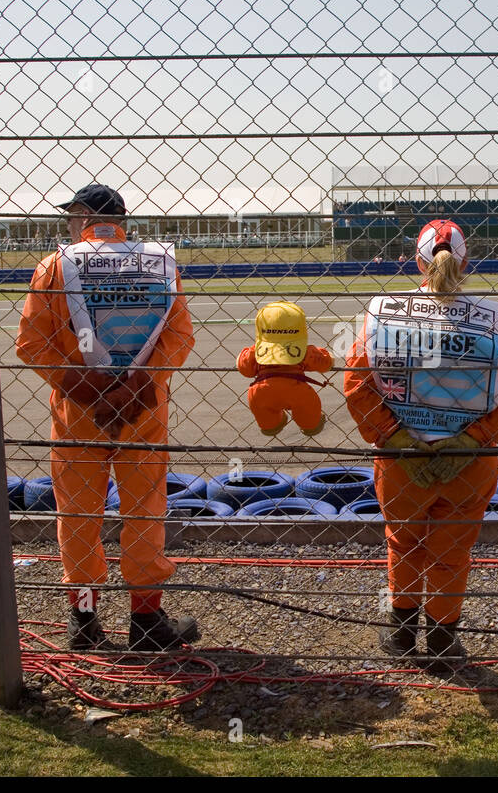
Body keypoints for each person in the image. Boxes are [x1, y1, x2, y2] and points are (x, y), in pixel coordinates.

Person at [16, 183, 199, 651]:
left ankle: (83, 619)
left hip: (80, 409)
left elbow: (32, 345)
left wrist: (89, 390)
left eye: (71, 216)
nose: (69, 225)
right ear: (121, 218)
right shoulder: (159, 261)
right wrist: (137, 385)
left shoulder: (55, 265)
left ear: (82, 215)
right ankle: (146, 619)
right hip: (142, 407)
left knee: (78, 511)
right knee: (144, 508)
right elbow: (178, 338)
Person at [345, 219, 498, 670]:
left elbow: (356, 383)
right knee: (452, 550)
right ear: (466, 262)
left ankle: (403, 634)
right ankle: (445, 641)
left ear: (417, 263)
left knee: (404, 542)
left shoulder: (383, 316)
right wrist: (472, 440)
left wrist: (395, 438)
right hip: (468, 463)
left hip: (400, 461)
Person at [236, 300, 332, 437]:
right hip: (298, 391)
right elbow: (324, 363)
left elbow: (245, 368)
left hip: (262, 391)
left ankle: (271, 425)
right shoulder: (303, 351)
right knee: (308, 411)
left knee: (263, 412)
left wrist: (242, 355)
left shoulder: (256, 352)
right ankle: (310, 426)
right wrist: (329, 358)